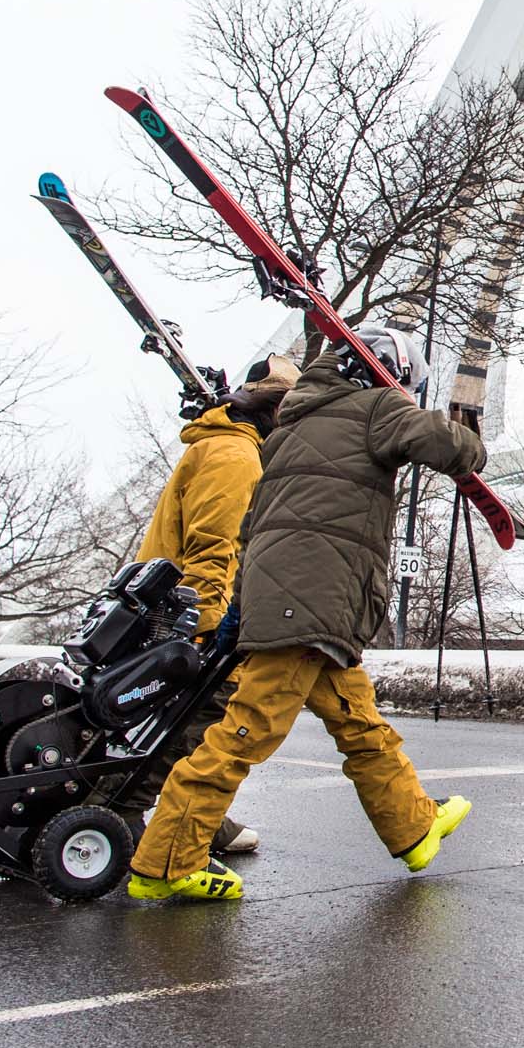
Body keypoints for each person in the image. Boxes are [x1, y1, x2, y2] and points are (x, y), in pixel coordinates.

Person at [126, 326, 485, 903]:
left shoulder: (288, 429)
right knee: (243, 734)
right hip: (314, 606)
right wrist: (470, 437)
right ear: (387, 372)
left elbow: (253, 525)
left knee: (360, 723)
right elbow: (441, 445)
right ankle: (166, 862)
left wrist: (243, 606)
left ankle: (414, 827)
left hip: (298, 605)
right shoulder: (376, 408)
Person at [120, 352, 302, 857]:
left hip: (179, 608)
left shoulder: (231, 448)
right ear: (275, 409)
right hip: (188, 612)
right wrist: (203, 632)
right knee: (206, 716)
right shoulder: (234, 456)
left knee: (206, 721)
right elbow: (213, 551)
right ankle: (127, 812)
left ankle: (202, 817)